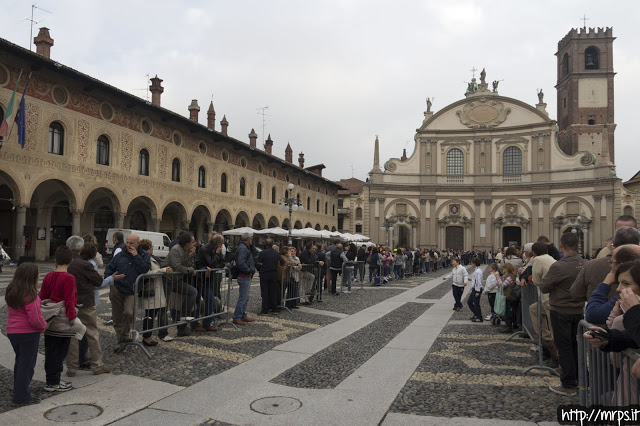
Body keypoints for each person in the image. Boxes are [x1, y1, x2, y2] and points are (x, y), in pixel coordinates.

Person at [540, 232, 585, 396]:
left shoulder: (559, 266)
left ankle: (568, 384)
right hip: (578, 310)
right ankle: (580, 378)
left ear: (561, 246)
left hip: (561, 310)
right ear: (578, 246)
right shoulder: (583, 263)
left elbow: (544, 286)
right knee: (575, 345)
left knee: (564, 347)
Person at [65, 236, 111, 377]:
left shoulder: (65, 263)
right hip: (86, 303)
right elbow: (98, 281)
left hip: (70, 303)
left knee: (72, 334)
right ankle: (97, 365)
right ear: (82, 248)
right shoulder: (85, 264)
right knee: (92, 333)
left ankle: (71, 367)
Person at [38, 246, 81, 392]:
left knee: (50, 351)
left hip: (49, 318)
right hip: (62, 318)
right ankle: (53, 382)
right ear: (71, 261)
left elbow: (41, 296)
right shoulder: (69, 278)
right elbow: (70, 300)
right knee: (60, 352)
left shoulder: (49, 276)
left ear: (55, 259)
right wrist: (72, 318)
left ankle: (51, 379)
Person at [6, 263, 47, 405]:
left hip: (13, 332)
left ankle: (19, 390)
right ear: (32, 277)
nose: (39, 276)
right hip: (28, 333)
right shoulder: (31, 296)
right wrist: (44, 326)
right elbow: (35, 318)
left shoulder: (12, 291)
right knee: (27, 366)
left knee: (20, 362)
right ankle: (22, 396)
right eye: (38, 274)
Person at [571, 226, 640, 303]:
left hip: (597, 309)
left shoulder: (591, 265)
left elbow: (576, 293)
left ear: (613, 243)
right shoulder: (636, 266)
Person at [106, 233, 151, 343]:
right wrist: (110, 279)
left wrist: (136, 256)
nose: (128, 245)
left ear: (137, 243)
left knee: (128, 313)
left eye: (131, 243)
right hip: (117, 287)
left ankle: (125, 334)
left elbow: (145, 269)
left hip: (131, 289)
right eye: (127, 242)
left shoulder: (144, 255)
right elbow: (109, 267)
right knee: (117, 316)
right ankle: (121, 338)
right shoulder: (120, 255)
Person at [138, 239, 174, 345]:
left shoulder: (153, 258)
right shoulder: (144, 259)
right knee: (150, 314)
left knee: (161, 311)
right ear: (148, 248)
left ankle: (163, 333)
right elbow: (147, 273)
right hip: (150, 290)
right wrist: (162, 271)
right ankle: (147, 337)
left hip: (158, 289)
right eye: (151, 247)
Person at [162, 232, 199, 336]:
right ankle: (163, 332)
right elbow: (177, 266)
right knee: (163, 306)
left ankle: (182, 319)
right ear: (187, 243)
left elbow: (189, 265)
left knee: (193, 292)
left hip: (176, 280)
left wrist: (191, 256)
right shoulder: (176, 249)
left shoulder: (186, 250)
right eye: (193, 242)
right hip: (167, 280)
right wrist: (190, 269)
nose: (194, 243)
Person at [529, 242, 558, 367]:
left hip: (548, 299)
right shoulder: (550, 258)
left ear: (534, 252)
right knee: (534, 309)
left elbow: (536, 280)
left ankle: (556, 355)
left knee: (553, 329)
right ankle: (544, 337)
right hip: (551, 297)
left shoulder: (538, 259)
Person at [233, 232, 255, 325]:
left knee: (246, 297)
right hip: (244, 275)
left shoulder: (245, 247)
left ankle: (243, 315)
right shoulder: (243, 248)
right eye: (251, 239)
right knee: (243, 297)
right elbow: (240, 263)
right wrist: (248, 270)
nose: (252, 240)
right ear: (248, 239)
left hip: (246, 275)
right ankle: (237, 317)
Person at [257, 238, 280, 315]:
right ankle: (274, 308)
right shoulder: (276, 253)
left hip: (264, 273)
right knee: (273, 291)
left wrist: (259, 269)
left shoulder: (262, 253)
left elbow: (258, 263)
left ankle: (265, 309)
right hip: (273, 273)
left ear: (265, 244)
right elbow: (280, 262)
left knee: (265, 292)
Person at [468, 258, 483, 322]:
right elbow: (476, 280)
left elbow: (478, 282)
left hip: (477, 290)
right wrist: (472, 280)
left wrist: (477, 291)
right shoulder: (477, 270)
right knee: (469, 302)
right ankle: (476, 314)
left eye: (472, 263)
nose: (471, 264)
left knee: (476, 304)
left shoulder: (477, 271)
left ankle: (480, 317)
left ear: (474, 264)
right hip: (475, 289)